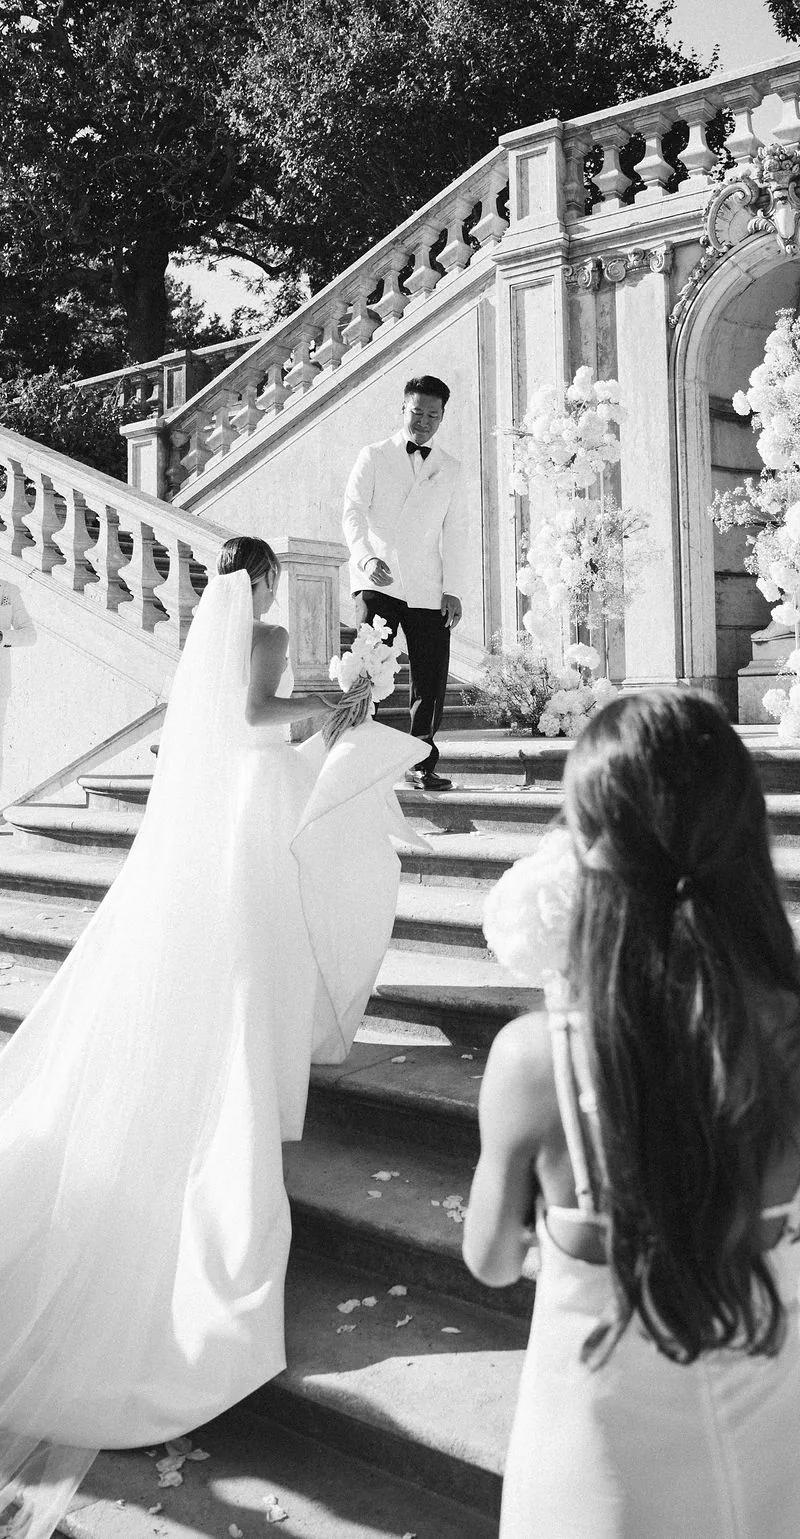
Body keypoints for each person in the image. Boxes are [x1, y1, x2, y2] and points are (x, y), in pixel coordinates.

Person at [0, 535, 424, 1539]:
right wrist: (334, 705)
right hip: (253, 803)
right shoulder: (268, 630)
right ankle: (258, 1078)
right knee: (257, 950)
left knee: (234, 953)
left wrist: (326, 704)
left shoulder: (211, 630)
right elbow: (256, 719)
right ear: (267, 580)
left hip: (218, 811)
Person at [465, 689, 800, 1538]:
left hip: (595, 1462)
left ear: (587, 848)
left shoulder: (536, 1060)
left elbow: (494, 1259)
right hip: (776, 1435)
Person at [342, 374, 467, 791]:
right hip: (379, 580)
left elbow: (457, 531)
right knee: (365, 670)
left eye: (433, 414)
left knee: (429, 680)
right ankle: (357, 758)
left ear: (442, 416)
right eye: (417, 412)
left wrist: (454, 588)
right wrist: (366, 556)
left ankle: (421, 763)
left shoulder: (451, 467)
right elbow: (353, 512)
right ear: (403, 409)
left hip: (428, 587)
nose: (424, 421)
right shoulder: (375, 455)